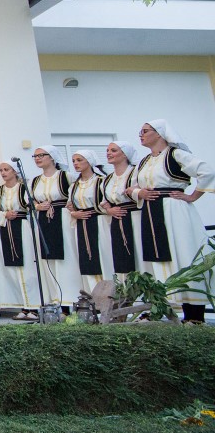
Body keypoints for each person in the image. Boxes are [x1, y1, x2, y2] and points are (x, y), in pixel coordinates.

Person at [132, 119, 214, 322]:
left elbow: (207, 172)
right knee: (156, 260)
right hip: (151, 213)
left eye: (145, 131)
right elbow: (131, 186)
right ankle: (161, 308)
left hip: (174, 210)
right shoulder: (144, 161)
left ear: (159, 133)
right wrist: (139, 192)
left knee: (184, 254)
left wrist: (192, 196)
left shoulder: (176, 155)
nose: (141, 135)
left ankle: (194, 315)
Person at [0, 161, 42, 320]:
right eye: (1, 170)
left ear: (15, 171)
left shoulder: (25, 188)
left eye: (6, 169)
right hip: (4, 229)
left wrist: (4, 212)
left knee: (28, 267)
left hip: (22, 229)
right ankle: (20, 305)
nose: (3, 173)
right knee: (8, 269)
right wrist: (4, 214)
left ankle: (33, 306)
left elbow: (32, 207)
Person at [29, 146, 79, 309]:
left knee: (67, 256)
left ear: (52, 157)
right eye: (35, 156)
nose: (37, 158)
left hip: (62, 217)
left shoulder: (66, 176)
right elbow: (29, 202)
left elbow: (76, 195)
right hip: (43, 219)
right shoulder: (34, 181)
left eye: (41, 155)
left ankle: (70, 297)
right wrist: (37, 206)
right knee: (47, 258)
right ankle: (55, 298)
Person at [99, 141, 146, 283]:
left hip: (136, 218)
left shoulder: (136, 172)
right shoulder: (107, 179)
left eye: (113, 150)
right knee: (121, 256)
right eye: (107, 150)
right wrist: (109, 209)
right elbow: (104, 201)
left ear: (125, 154)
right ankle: (127, 289)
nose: (109, 153)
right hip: (117, 220)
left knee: (138, 253)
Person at [68, 151, 112, 297]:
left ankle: (107, 294)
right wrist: (74, 213)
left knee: (102, 256)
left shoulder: (101, 181)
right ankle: (92, 295)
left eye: (79, 160)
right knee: (86, 258)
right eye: (74, 161)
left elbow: (108, 201)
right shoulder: (74, 185)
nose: (76, 163)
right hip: (81, 223)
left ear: (89, 161)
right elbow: (70, 205)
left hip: (98, 221)